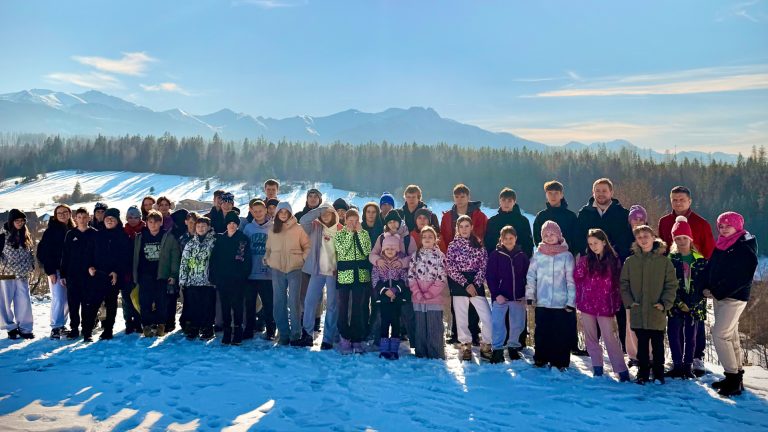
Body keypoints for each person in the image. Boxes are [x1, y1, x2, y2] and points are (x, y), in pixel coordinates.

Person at [657, 186, 715, 377]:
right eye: (674, 199)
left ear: (689, 201)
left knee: (695, 327)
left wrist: (705, 280)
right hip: (675, 281)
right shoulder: (665, 222)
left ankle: (696, 358)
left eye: (682, 199)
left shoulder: (701, 223)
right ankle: (677, 361)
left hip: (697, 282)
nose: (678, 203)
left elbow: (709, 251)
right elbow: (664, 249)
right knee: (674, 327)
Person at [575, 178, 633, 356]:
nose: (601, 194)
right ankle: (592, 347)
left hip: (616, 265)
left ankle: (626, 348)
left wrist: (614, 255)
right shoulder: (585, 213)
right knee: (594, 304)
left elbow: (627, 239)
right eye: (597, 191)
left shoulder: (622, 213)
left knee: (620, 306)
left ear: (611, 193)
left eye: (604, 191)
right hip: (592, 265)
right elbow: (579, 238)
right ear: (593, 193)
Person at [705, 212, 758, 396]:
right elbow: (710, 268)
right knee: (731, 336)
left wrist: (717, 291)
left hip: (734, 298)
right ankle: (736, 378)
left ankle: (732, 377)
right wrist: (705, 286)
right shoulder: (722, 244)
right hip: (719, 297)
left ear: (738, 226)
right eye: (720, 225)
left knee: (719, 335)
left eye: (728, 225)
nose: (724, 228)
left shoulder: (743, 247)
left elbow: (742, 277)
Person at [620, 225, 677, 385]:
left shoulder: (664, 262)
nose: (643, 240)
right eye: (639, 237)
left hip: (656, 311)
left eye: (646, 236)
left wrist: (665, 303)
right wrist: (630, 302)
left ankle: (658, 373)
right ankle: (643, 373)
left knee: (658, 345)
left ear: (653, 238)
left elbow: (671, 285)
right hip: (638, 311)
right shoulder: (631, 262)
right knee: (642, 346)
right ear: (636, 241)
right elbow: (624, 284)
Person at [574, 229, 630, 381]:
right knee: (590, 337)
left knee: (609, 337)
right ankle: (597, 367)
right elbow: (576, 277)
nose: (593, 246)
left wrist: (616, 302)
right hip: (587, 304)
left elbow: (617, 284)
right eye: (590, 244)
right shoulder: (586, 260)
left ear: (604, 242)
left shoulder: (613, 260)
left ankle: (620, 369)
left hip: (605, 305)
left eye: (596, 243)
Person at [440, 184, 487, 346]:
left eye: (463, 196)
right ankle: (457, 333)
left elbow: (482, 235)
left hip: (474, 265)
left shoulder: (478, 215)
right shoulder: (448, 216)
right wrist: (450, 259)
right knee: (457, 302)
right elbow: (444, 237)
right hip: (454, 265)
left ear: (468, 197)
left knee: (474, 302)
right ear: (454, 198)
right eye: (457, 196)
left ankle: (474, 333)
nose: (460, 199)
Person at [526, 221, 576, 371]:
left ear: (559, 235)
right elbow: (531, 276)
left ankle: (559, 361)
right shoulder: (538, 255)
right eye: (545, 235)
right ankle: (541, 358)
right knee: (542, 331)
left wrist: (571, 301)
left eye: (552, 234)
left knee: (560, 333)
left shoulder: (566, 256)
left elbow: (571, 281)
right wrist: (530, 295)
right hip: (542, 301)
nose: (549, 237)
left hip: (561, 303)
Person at [446, 215, 492, 362]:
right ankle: (465, 345)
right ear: (457, 229)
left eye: (467, 226)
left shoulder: (479, 244)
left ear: (472, 227)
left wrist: (475, 284)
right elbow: (450, 267)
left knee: (488, 318)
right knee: (461, 319)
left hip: (476, 285)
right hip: (459, 285)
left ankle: (486, 344)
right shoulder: (453, 246)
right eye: (461, 226)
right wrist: (466, 284)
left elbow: (483, 266)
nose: (464, 229)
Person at [665, 216, 707, 380]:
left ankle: (687, 366)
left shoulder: (700, 260)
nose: (681, 241)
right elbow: (668, 283)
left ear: (690, 238)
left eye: (684, 238)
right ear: (674, 240)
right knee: (674, 334)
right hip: (676, 304)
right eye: (678, 238)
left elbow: (704, 283)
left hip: (695, 305)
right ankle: (677, 365)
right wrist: (678, 302)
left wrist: (694, 301)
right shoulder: (670, 260)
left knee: (692, 337)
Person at [265, 202, 310, 346]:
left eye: (286, 212)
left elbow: (307, 246)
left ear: (290, 213)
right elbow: (268, 248)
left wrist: (302, 258)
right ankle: (283, 334)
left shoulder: (298, 229)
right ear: (277, 214)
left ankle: (295, 334)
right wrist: (268, 258)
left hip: (294, 268)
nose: (283, 214)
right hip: (277, 269)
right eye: (281, 212)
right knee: (279, 302)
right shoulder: (273, 229)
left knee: (294, 302)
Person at [299, 202, 342, 349]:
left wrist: (339, 267)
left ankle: (328, 339)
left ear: (333, 214)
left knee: (332, 305)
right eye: (322, 213)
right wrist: (319, 210)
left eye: (328, 212)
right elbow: (303, 220)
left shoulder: (340, 229)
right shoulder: (315, 227)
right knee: (309, 302)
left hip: (333, 273)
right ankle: (307, 334)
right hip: (317, 271)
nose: (325, 215)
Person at [369, 210, 416, 345]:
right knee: (382, 313)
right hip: (384, 279)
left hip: (402, 280)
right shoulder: (382, 238)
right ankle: (379, 340)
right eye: (389, 221)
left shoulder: (407, 238)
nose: (392, 224)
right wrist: (378, 261)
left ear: (400, 221)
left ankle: (412, 340)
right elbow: (373, 254)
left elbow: (414, 256)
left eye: (395, 221)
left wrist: (402, 263)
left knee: (406, 311)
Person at [132, 210, 181, 337]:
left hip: (162, 275)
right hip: (145, 274)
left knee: (162, 301)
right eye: (150, 222)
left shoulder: (168, 237)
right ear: (146, 223)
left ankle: (161, 325)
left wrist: (173, 274)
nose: (153, 224)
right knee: (145, 301)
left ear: (161, 223)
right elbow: (135, 256)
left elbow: (175, 256)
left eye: (156, 222)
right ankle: (147, 326)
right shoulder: (140, 237)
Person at [85, 208, 131, 341]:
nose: (109, 221)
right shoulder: (97, 235)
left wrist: (117, 272)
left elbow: (126, 258)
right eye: (107, 219)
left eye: (112, 219)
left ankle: (108, 330)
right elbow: (89, 253)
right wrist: (90, 267)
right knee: (93, 303)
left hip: (113, 277)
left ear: (117, 221)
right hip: (97, 274)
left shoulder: (123, 236)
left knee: (111, 304)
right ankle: (87, 331)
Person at [486, 226, 530, 364]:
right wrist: (496, 294)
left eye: (511, 238)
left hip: (518, 297)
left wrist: (525, 294)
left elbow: (528, 276)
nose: (508, 241)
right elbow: (490, 276)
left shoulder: (522, 256)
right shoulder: (495, 255)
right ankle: (497, 349)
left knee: (517, 323)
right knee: (497, 323)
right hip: (500, 297)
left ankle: (513, 347)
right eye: (505, 238)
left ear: (516, 239)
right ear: (501, 239)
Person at [334, 208, 372, 354]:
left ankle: (357, 338)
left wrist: (360, 233)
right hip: (345, 275)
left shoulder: (364, 234)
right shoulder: (340, 234)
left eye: (356, 221)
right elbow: (342, 251)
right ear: (345, 221)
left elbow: (366, 251)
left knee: (359, 308)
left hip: (361, 275)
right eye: (350, 221)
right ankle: (344, 337)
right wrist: (349, 233)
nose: (353, 224)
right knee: (343, 307)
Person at [210, 212, 252, 345]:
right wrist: (214, 275)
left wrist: (244, 275)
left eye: (234, 223)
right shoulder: (220, 239)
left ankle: (238, 330)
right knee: (225, 306)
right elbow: (214, 259)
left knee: (237, 306)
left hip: (238, 280)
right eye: (229, 223)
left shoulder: (242, 239)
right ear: (226, 225)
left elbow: (246, 260)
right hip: (222, 279)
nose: (232, 225)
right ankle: (227, 331)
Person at [408, 226, 447, 359]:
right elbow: (411, 275)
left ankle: (435, 352)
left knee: (434, 325)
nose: (427, 239)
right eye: (424, 237)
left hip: (434, 297)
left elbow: (441, 277)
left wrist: (431, 293)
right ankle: (421, 351)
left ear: (435, 239)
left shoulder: (440, 256)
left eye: (430, 237)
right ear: (421, 240)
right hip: (418, 297)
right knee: (420, 325)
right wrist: (417, 292)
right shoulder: (416, 255)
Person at [37, 204, 74, 339]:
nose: (63, 215)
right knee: (58, 298)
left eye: (65, 212)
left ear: (70, 213)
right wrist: (50, 271)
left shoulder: (73, 229)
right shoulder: (51, 231)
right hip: (56, 271)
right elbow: (43, 253)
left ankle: (61, 325)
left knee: (68, 300)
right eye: (59, 213)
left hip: (71, 271)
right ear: (55, 215)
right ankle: (55, 327)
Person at [60, 207, 97, 339]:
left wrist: (94, 267)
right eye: (79, 217)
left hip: (89, 276)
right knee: (73, 304)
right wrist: (63, 275)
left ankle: (87, 331)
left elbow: (98, 255)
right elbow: (65, 256)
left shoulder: (94, 234)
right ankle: (74, 329)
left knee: (88, 304)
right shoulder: (70, 234)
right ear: (75, 218)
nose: (82, 220)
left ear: (89, 217)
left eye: (84, 217)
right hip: (73, 275)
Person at [179, 217, 217, 340]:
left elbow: (218, 261)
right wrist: (183, 279)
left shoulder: (214, 242)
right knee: (193, 306)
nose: (201, 229)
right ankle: (194, 327)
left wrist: (216, 278)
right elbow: (184, 262)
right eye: (199, 226)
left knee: (208, 306)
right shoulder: (190, 243)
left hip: (208, 281)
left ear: (208, 227)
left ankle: (207, 328)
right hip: (192, 280)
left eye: (203, 226)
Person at [242, 199, 275, 340]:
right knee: (250, 304)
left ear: (266, 210)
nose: (258, 213)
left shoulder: (273, 227)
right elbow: (243, 249)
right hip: (251, 273)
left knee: (269, 304)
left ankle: (270, 330)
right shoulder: (248, 228)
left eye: (260, 211)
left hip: (267, 273)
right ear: (251, 211)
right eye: (255, 211)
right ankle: (249, 329)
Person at [372, 233, 409, 360]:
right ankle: (384, 349)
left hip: (397, 297)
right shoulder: (379, 263)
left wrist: (395, 289)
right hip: (383, 298)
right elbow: (375, 279)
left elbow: (404, 279)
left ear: (397, 249)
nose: (390, 251)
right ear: (383, 249)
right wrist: (384, 290)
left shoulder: (399, 263)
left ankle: (394, 349)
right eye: (387, 248)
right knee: (384, 322)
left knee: (396, 322)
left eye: (392, 248)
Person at [0, 209, 35, 340]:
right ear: (11, 221)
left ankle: (25, 328)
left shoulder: (25, 234)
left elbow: (30, 252)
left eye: (22, 220)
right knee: (5, 302)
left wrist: (31, 265)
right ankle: (10, 327)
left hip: (23, 274)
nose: (20, 223)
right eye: (17, 220)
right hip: (6, 274)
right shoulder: (2, 236)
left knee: (24, 302)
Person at [484, 188, 534, 258]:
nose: (506, 203)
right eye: (503, 200)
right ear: (499, 201)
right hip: (498, 261)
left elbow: (528, 244)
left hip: (519, 260)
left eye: (509, 200)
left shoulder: (523, 221)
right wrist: (493, 259)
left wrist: (523, 259)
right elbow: (488, 243)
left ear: (514, 202)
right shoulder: (493, 221)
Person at [532, 181, 578, 256]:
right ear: (546, 195)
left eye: (556, 193)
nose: (553, 196)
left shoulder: (571, 216)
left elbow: (575, 238)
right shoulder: (541, 216)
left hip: (566, 257)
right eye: (550, 193)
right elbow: (537, 238)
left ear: (561, 195)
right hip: (546, 257)